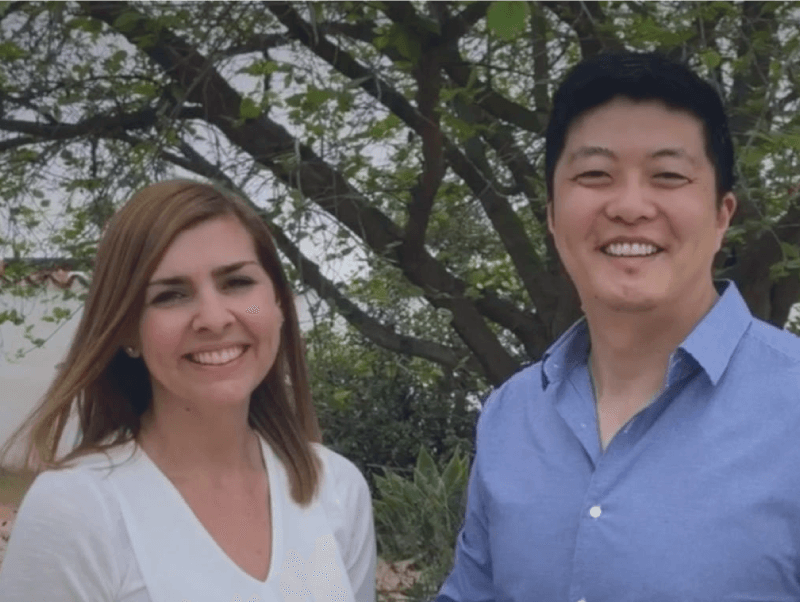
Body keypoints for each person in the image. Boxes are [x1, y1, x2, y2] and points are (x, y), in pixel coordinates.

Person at [435, 51, 800, 601]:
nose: (630, 207)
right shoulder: (512, 415)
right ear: (553, 215)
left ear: (721, 216)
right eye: (595, 175)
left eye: (668, 176)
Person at [0, 180, 376, 602]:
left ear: (278, 305)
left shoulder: (336, 488)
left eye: (237, 282)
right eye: (170, 296)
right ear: (128, 330)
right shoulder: (76, 510)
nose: (214, 319)